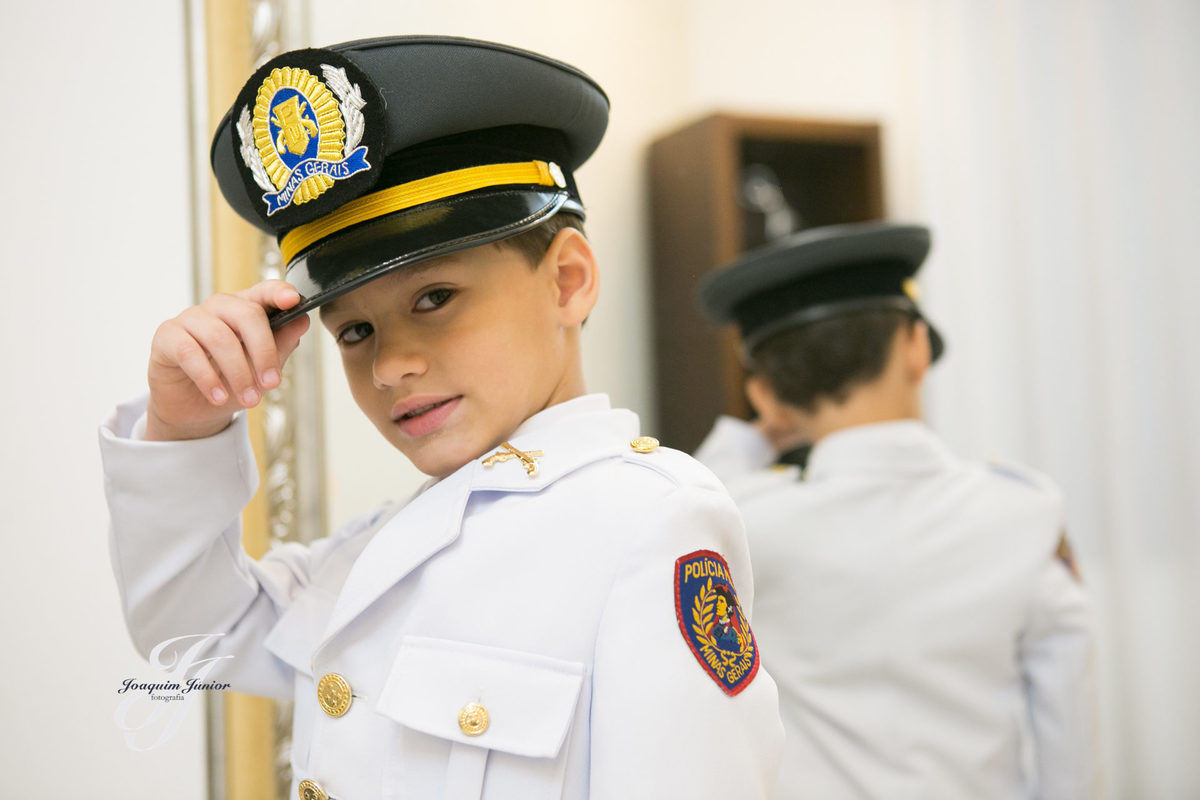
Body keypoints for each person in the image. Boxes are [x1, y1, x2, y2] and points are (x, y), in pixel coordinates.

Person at [99, 36, 782, 799]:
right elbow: (193, 637)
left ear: (568, 280)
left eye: (435, 299)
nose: (390, 365)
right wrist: (180, 425)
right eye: (354, 331)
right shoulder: (384, 549)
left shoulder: (645, 525)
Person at [694, 221, 1100, 799]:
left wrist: (756, 432)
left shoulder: (743, 519)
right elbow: (1070, 754)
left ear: (766, 396)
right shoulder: (1023, 516)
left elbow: (696, 496)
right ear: (915, 348)